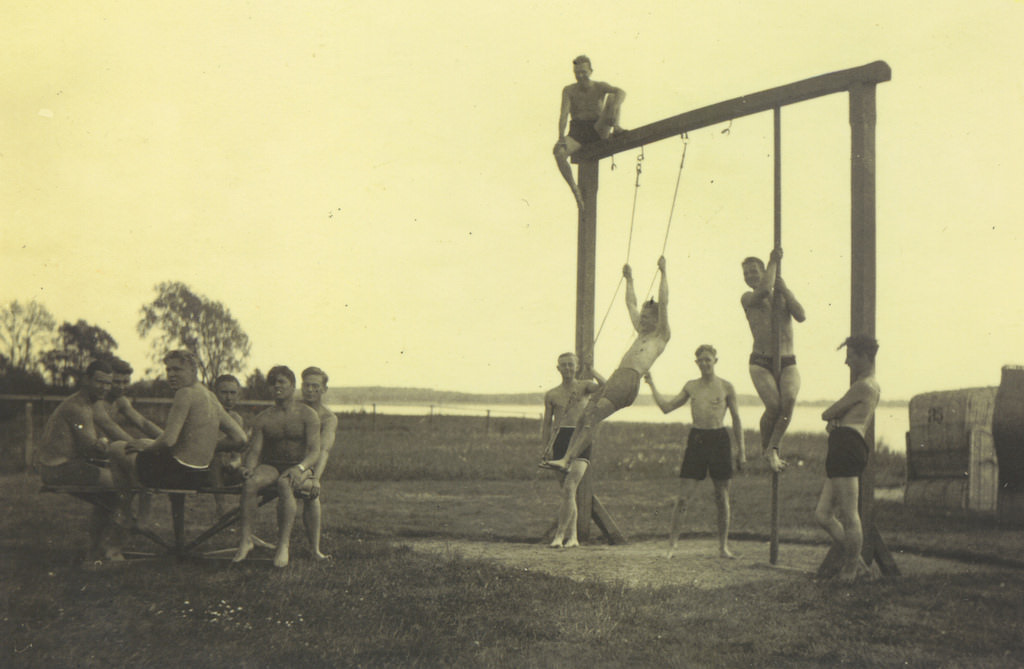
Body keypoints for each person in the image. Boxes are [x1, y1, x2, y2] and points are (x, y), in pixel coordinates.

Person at [543, 256, 670, 473]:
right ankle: (565, 458)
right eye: (642, 316)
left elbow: (664, 302)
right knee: (584, 417)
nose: (642, 319)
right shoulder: (641, 332)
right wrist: (629, 279)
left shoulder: (660, 335)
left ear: (656, 320)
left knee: (591, 418)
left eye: (647, 316)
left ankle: (567, 459)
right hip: (616, 377)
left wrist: (663, 273)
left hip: (629, 380)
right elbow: (630, 303)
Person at [645, 345, 745, 559]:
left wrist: (741, 451)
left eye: (708, 360)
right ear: (696, 363)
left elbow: (736, 419)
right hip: (698, 440)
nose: (705, 364)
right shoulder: (691, 386)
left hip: (720, 440)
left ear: (715, 361)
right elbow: (666, 407)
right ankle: (672, 546)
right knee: (683, 499)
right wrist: (652, 385)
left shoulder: (726, 386)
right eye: (701, 360)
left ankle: (723, 547)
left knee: (722, 496)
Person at [112, 350, 248, 493]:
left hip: (178, 474)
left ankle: (120, 511)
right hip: (201, 475)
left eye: (177, 369)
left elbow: (168, 441)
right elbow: (241, 439)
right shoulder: (211, 397)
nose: (171, 374)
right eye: (168, 370)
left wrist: (147, 447)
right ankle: (135, 505)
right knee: (141, 452)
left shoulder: (185, 393)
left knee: (116, 448)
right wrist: (205, 445)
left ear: (193, 370)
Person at [35, 359, 127, 562]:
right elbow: (90, 450)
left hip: (63, 465)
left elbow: (97, 442)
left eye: (108, 383)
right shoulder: (78, 407)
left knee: (110, 498)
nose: (104, 388)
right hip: (59, 468)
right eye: (99, 382)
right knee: (123, 487)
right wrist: (114, 450)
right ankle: (113, 550)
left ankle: (95, 551)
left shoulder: (87, 403)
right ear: (86, 380)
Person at [232, 365, 321, 568]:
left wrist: (300, 468)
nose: (276, 387)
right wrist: (249, 468)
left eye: (281, 382)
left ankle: (283, 546)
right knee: (251, 483)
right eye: (272, 383)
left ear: (292, 385)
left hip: (299, 466)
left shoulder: (308, 415)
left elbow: (314, 451)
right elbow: (255, 451)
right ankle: (246, 541)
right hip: (272, 465)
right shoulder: (263, 418)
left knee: (285, 483)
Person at [814, 335, 880, 582]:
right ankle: (859, 565)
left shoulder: (864, 386)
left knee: (850, 515)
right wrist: (837, 422)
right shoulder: (867, 385)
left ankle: (850, 572)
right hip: (843, 443)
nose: (846, 362)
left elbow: (827, 413)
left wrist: (835, 420)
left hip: (847, 445)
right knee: (823, 515)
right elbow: (837, 417)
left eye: (850, 356)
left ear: (864, 357)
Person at [740, 247, 806, 473]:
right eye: (746, 274)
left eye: (753, 271)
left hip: (788, 359)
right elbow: (763, 290)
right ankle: (765, 448)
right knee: (774, 406)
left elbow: (801, 315)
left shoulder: (781, 295)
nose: (750, 276)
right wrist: (772, 261)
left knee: (788, 401)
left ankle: (773, 449)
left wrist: (786, 291)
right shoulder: (748, 298)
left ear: (763, 271)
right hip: (760, 362)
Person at [540, 352, 605, 548]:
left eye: (571, 365)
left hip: (580, 439)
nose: (567, 368)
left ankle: (560, 536)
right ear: (558, 368)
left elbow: (605, 386)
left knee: (570, 487)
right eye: (564, 365)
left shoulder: (585, 386)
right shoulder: (552, 394)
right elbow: (547, 424)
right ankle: (574, 537)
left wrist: (592, 370)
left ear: (576, 367)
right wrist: (546, 448)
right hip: (559, 440)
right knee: (568, 492)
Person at [93, 357, 162, 526]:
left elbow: (142, 422)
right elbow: (112, 429)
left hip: (106, 453)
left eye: (126, 382)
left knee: (138, 464)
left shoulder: (120, 400)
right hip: (91, 452)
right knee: (137, 462)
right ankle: (131, 517)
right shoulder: (97, 401)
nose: (122, 387)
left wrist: (167, 438)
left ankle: (131, 516)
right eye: (117, 382)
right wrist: (142, 447)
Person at [553, 54, 626, 209]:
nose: (580, 76)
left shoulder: (600, 86)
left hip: (597, 128)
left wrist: (613, 110)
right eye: (577, 73)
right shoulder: (569, 90)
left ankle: (617, 127)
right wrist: (561, 137)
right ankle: (575, 190)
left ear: (591, 71)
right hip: (577, 131)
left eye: (583, 72)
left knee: (613, 97)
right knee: (558, 152)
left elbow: (621, 92)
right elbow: (564, 114)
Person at [298, 366, 339, 561]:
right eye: (306, 385)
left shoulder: (328, 418)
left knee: (312, 495)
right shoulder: (294, 408)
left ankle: (314, 550)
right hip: (287, 462)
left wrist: (316, 478)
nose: (310, 390)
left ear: (324, 389)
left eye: (315, 386)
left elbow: (324, 450)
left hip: (310, 466)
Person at [210, 374, 249, 516]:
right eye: (224, 392)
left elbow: (236, 455)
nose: (229, 397)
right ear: (214, 394)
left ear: (238, 395)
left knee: (248, 473)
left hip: (225, 470)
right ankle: (222, 508)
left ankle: (243, 513)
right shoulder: (207, 415)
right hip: (204, 468)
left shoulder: (236, 419)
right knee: (216, 459)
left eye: (233, 393)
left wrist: (234, 464)